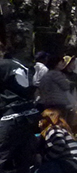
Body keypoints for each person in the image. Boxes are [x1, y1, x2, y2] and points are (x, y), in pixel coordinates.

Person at [0, 38, 39, 173]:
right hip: (29, 115)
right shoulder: (21, 65)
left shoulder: (2, 66)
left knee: (4, 159)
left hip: (11, 116)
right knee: (23, 158)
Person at [36, 108, 77, 173]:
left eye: (41, 119)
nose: (39, 122)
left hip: (70, 163)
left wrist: (46, 158)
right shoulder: (60, 129)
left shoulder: (53, 130)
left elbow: (60, 144)